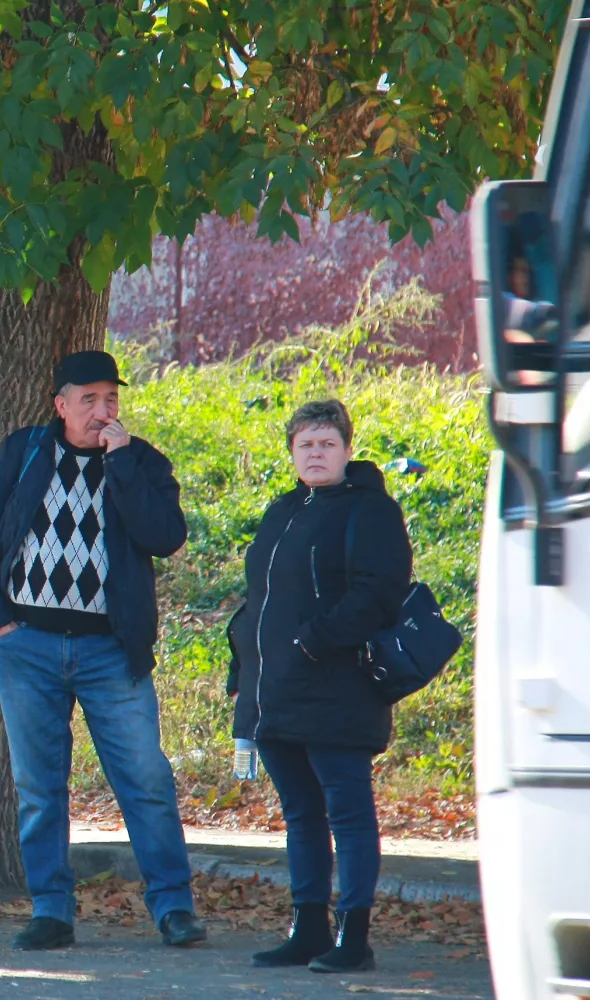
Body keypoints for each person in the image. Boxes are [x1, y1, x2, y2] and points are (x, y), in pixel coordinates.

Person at [0, 350, 205, 952]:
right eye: (90, 400)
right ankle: (52, 911)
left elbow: (165, 536)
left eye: (112, 400)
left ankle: (173, 907)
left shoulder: (142, 461)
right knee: (40, 786)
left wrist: (119, 464)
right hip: (28, 648)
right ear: (61, 405)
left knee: (145, 778)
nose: (103, 411)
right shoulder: (22, 453)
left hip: (109, 652)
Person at [227, 400, 411, 974]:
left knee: (348, 815)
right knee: (302, 816)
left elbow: (378, 593)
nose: (316, 453)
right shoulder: (282, 511)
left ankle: (352, 938)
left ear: (347, 450)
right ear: (291, 453)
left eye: (327, 443)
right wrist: (245, 674)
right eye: (305, 444)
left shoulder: (371, 511)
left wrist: (314, 642)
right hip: (276, 694)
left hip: (339, 690)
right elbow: (259, 605)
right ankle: (308, 929)